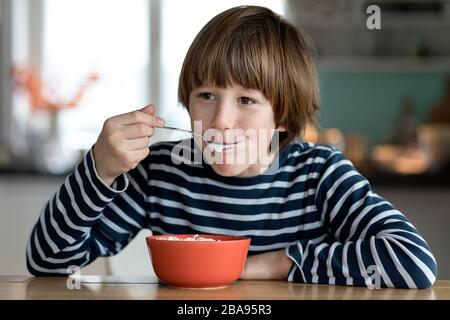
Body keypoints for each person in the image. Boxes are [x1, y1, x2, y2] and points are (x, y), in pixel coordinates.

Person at [26, 6, 437, 288]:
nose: (220, 120)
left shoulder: (320, 175)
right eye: (206, 95)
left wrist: (276, 263)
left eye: (246, 100)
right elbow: (48, 264)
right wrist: (99, 169)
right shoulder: (162, 173)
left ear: (283, 117)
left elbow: (413, 263)